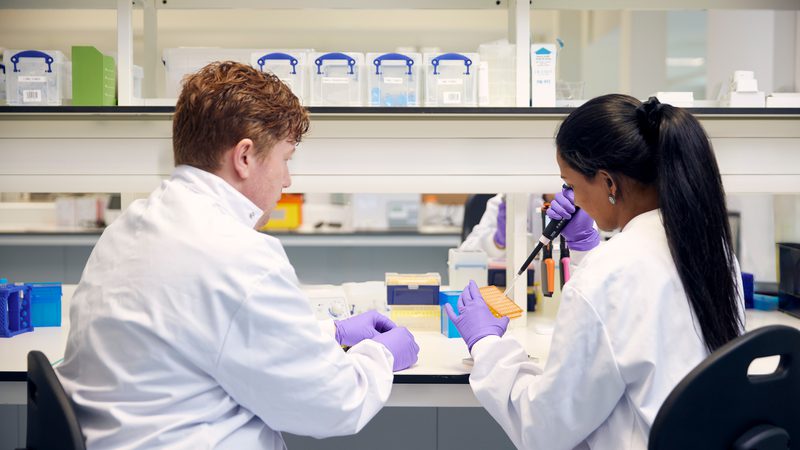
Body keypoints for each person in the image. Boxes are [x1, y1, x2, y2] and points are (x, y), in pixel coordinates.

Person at [56, 61, 419, 449]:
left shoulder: (131, 226)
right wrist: (379, 355)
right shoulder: (237, 253)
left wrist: (331, 333)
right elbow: (334, 404)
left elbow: (210, 337)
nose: (287, 180)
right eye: (285, 158)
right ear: (244, 157)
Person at [445, 94, 744, 449]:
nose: (570, 198)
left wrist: (487, 346)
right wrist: (588, 248)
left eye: (570, 185)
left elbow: (543, 428)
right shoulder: (714, 250)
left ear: (609, 183)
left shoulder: (608, 274)